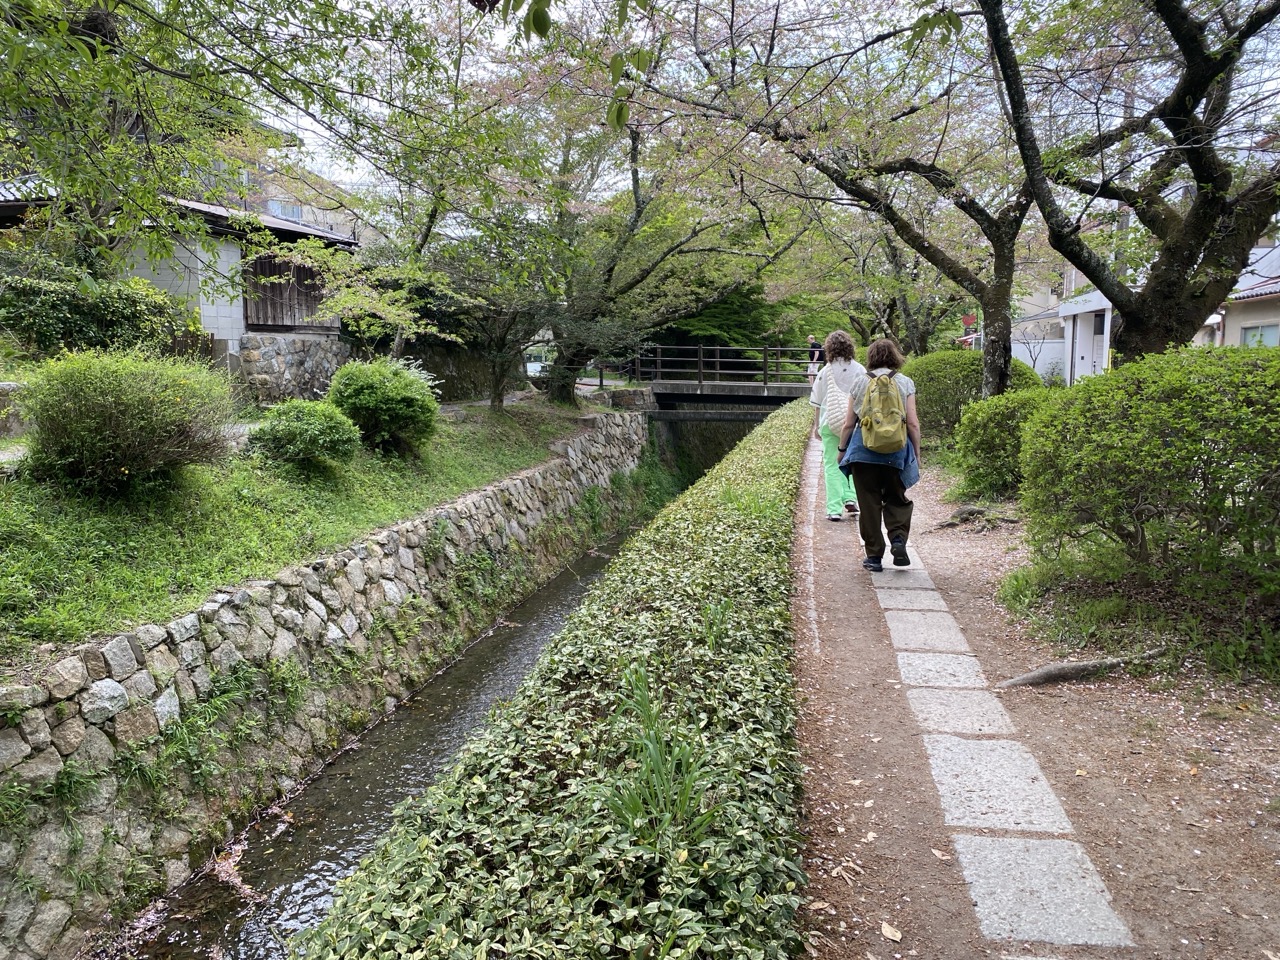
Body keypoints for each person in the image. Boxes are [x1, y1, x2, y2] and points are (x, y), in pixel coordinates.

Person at [837, 338, 922, 572]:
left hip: (862, 453)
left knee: (869, 503)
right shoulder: (905, 382)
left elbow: (848, 424)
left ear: (871, 357)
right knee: (897, 498)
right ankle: (897, 539)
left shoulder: (860, 382)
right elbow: (913, 424)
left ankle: (874, 557)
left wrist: (842, 450)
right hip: (896, 450)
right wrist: (915, 451)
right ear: (895, 356)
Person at [809, 331, 866, 522]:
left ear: (829, 348)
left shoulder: (825, 371)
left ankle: (834, 508)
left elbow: (817, 401)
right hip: (854, 424)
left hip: (829, 422)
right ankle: (850, 498)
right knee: (852, 462)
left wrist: (817, 425)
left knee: (832, 464)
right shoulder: (859, 369)